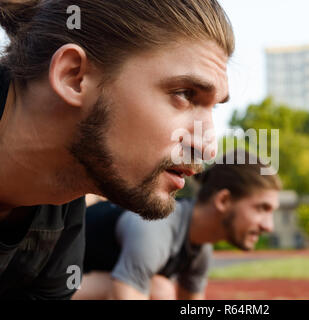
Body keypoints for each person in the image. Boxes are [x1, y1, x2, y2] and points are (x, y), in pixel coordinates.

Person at [0, 0, 234, 299]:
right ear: (74, 76)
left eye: (213, 108)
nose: (207, 148)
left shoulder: (62, 209)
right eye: (185, 94)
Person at [73, 151, 282, 300]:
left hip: (90, 282)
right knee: (159, 290)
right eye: (261, 208)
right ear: (224, 201)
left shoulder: (200, 249)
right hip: (49, 280)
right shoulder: (156, 228)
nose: (268, 226)